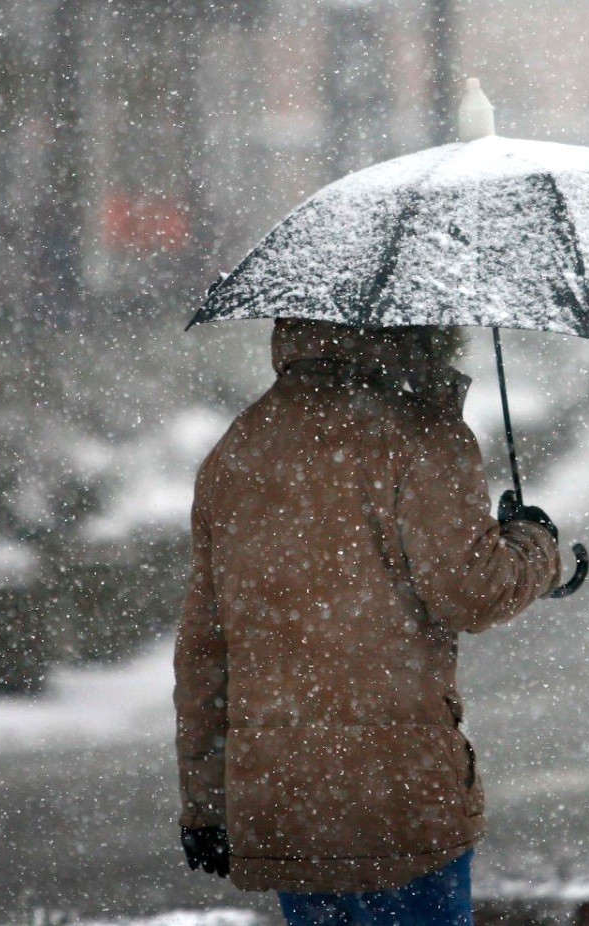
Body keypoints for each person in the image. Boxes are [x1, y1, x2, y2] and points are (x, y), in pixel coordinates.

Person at [174, 319, 562, 926]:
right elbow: (473, 591)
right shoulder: (423, 435)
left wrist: (205, 804)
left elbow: (205, 648)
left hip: (286, 797)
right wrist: (535, 542)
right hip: (400, 794)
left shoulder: (240, 446)